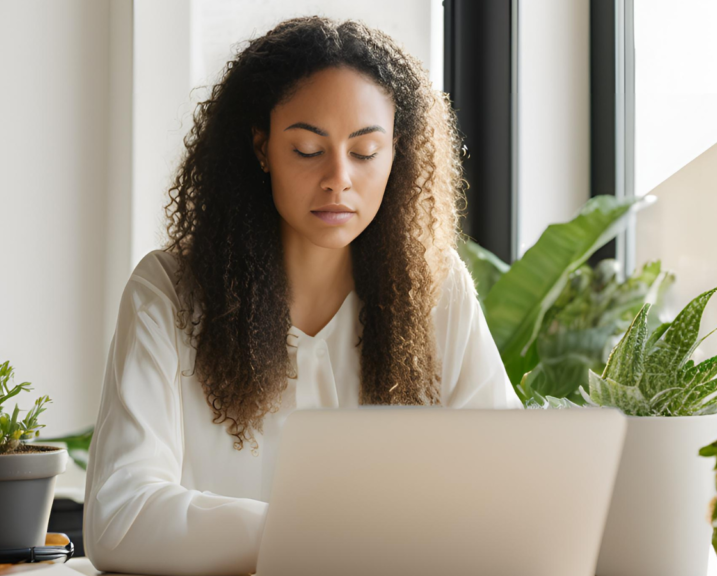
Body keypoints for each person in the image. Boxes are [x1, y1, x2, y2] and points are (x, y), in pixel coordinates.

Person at [83, 16, 521, 576]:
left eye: (365, 152)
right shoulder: (167, 293)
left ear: (397, 156)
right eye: (309, 149)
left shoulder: (438, 292)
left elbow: (509, 490)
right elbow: (120, 519)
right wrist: (324, 534)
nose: (338, 178)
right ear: (262, 147)